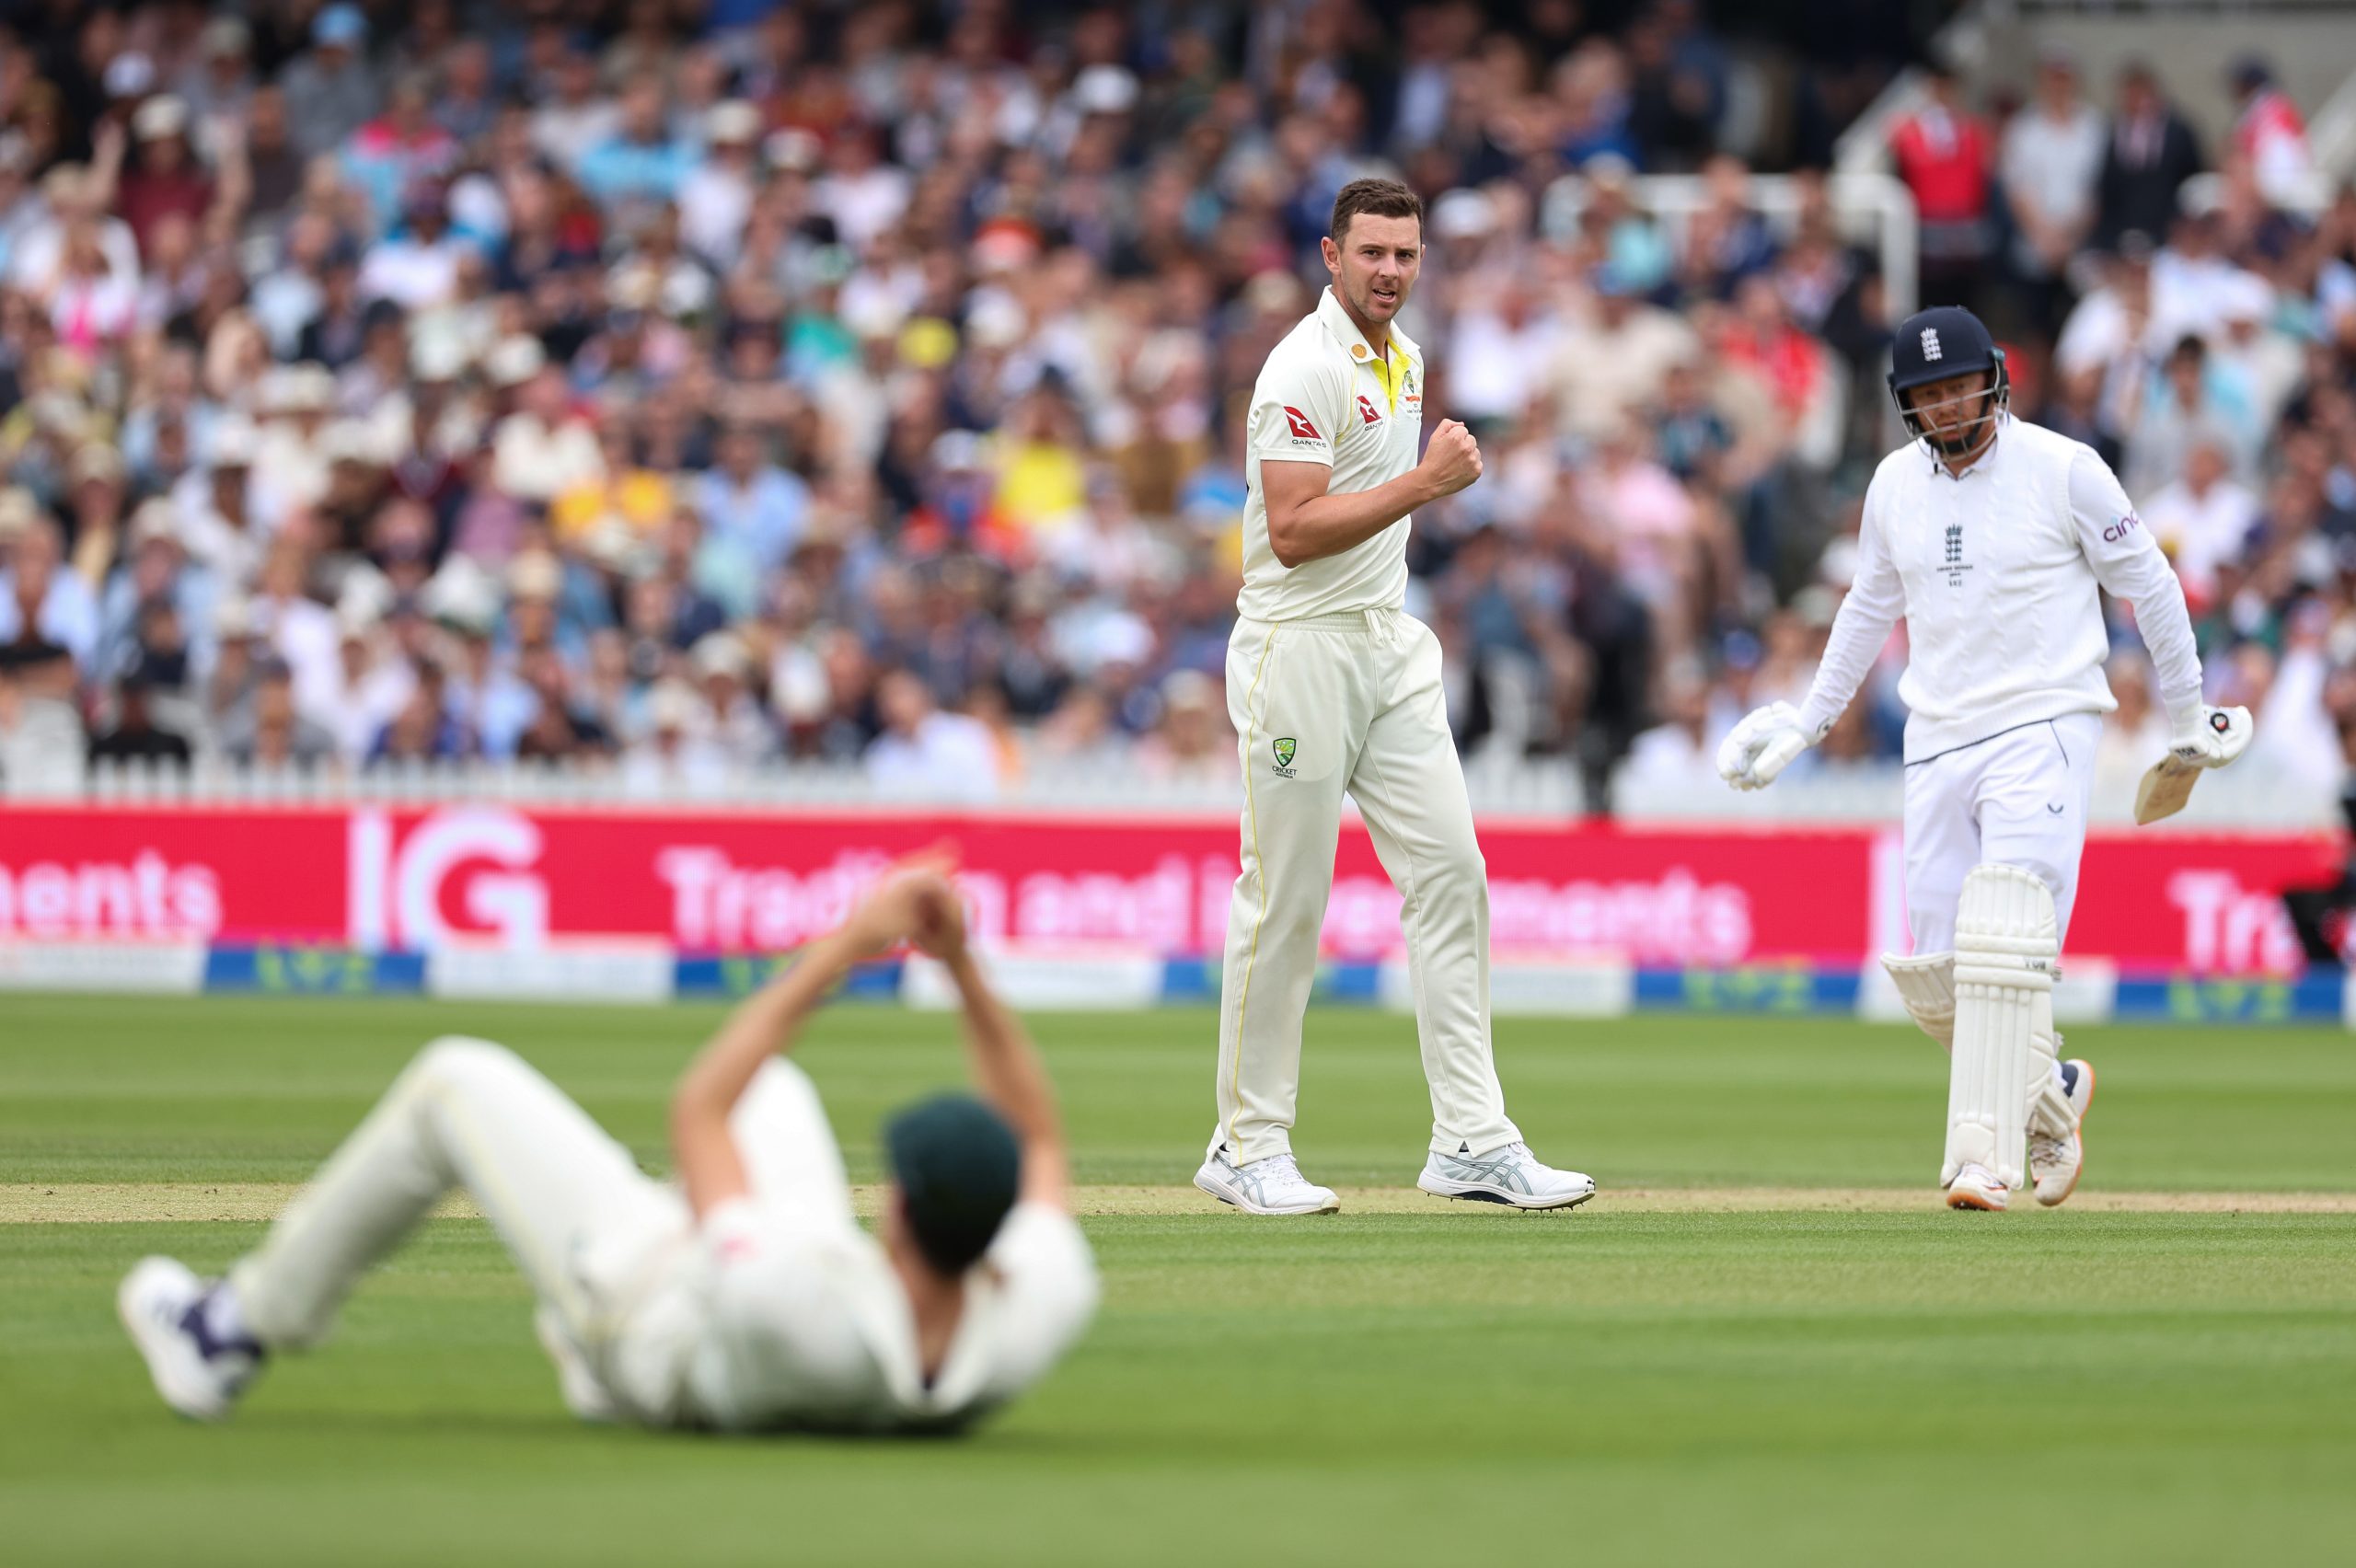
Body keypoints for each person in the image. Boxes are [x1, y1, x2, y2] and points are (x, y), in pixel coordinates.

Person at [119, 861, 1099, 1434]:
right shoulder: (1040, 1300)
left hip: (651, 1334)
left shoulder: (788, 1306)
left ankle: (228, 1332)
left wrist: (850, 944)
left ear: (893, 1208)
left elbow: (699, 1111)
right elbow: (1040, 1130)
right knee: (778, 1094)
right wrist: (962, 963)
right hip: (797, 1302)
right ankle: (632, 1240)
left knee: (454, 1079)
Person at [1715, 306, 2251, 1213]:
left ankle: (1982, 1160)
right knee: (1934, 978)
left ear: (1993, 379)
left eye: (1958, 385)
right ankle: (2052, 1100)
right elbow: (1866, 609)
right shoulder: (1893, 484)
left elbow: (2149, 586)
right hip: (1935, 739)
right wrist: (1809, 720)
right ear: (1905, 406)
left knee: (2005, 939)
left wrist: (2188, 710)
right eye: (1926, 395)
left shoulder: (2063, 468)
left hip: (2045, 722)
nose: (1946, 405)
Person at [1194, 177, 1594, 1216]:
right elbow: (1291, 527)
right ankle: (1246, 1145)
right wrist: (1424, 484)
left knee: (1454, 874)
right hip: (1298, 647)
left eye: (1405, 255)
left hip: (1388, 644)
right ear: (1330, 256)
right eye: (1371, 252)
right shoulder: (1301, 365)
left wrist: (1418, 488)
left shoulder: (1404, 358)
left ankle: (1470, 1137)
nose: (1389, 272)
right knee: (1287, 897)